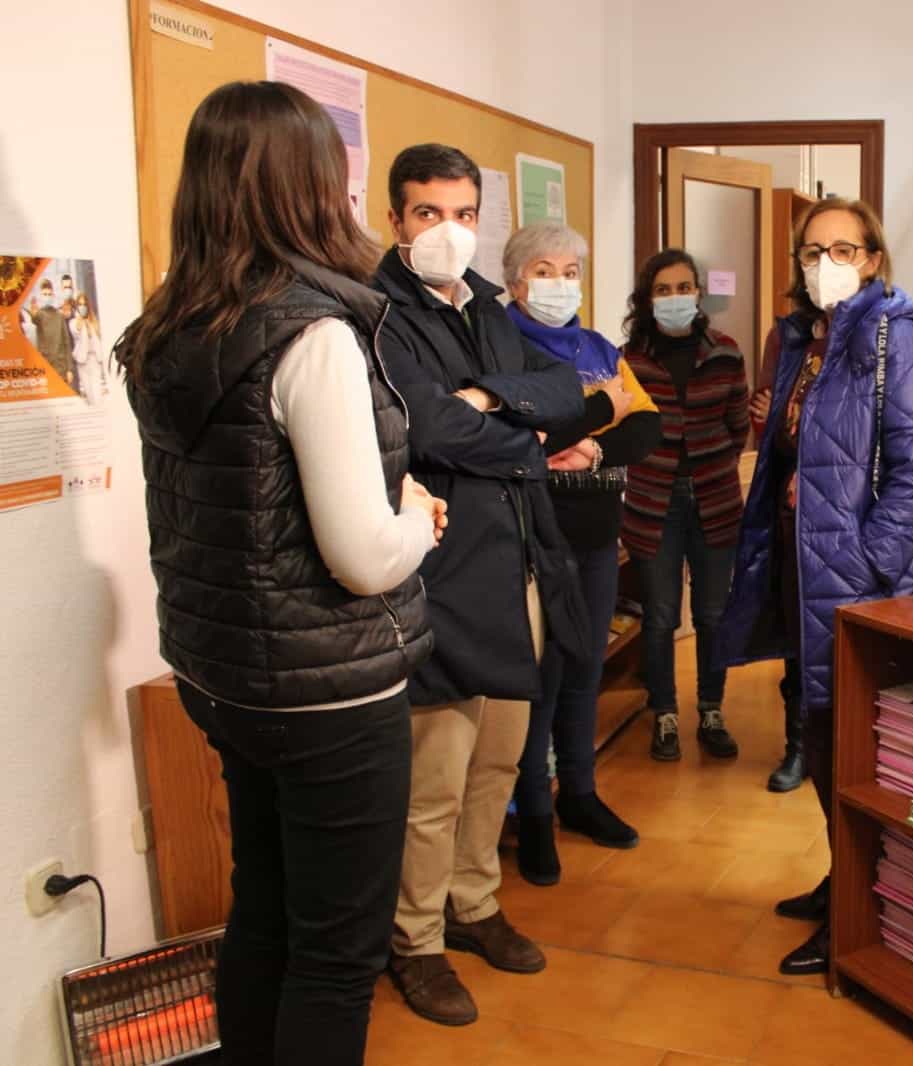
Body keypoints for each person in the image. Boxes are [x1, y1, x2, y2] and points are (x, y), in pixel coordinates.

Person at [118, 80, 445, 1066]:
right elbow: (360, 556)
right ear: (310, 185)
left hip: (222, 677)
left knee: (261, 910)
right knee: (336, 956)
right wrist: (419, 519)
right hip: (327, 694)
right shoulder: (311, 334)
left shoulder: (169, 328)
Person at [717, 199, 913, 976]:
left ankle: (864, 908)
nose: (827, 262)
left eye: (844, 248)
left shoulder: (898, 332)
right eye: (813, 250)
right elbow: (791, 453)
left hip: (859, 583)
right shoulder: (801, 339)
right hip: (803, 568)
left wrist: (862, 568)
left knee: (858, 749)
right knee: (820, 735)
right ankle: (841, 880)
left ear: (874, 258)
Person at [375, 144, 586, 1027]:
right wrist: (521, 432)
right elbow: (427, 431)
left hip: (518, 561)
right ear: (394, 220)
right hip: (442, 573)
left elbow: (566, 389)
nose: (448, 233)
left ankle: (474, 903)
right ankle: (415, 940)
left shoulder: (492, 306)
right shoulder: (376, 314)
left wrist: (491, 401)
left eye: (464, 214)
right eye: (429, 214)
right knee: (437, 774)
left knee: (501, 754)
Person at [503, 221, 662, 884]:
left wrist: (593, 442)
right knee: (537, 681)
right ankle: (533, 815)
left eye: (571, 271)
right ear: (514, 281)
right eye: (545, 270)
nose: (560, 284)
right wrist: (604, 406)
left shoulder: (598, 345)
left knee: (583, 671)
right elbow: (522, 434)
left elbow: (647, 424)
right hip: (530, 542)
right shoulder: (499, 345)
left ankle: (580, 795)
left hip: (598, 535)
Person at [620, 250, 747, 763]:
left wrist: (705, 465)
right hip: (653, 503)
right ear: (649, 300)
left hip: (715, 498)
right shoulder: (628, 359)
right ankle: (665, 714)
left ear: (698, 293)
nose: (676, 298)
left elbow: (739, 428)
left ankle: (711, 711)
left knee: (715, 613)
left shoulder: (726, 353)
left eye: (684, 287)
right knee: (659, 616)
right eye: (664, 290)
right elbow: (623, 432)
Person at [751, 330, 805, 794]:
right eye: (811, 252)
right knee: (794, 636)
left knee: (829, 644)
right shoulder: (789, 337)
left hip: (842, 515)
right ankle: (799, 746)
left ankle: (835, 748)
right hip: (788, 512)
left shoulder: (884, 332)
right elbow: (765, 414)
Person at [31, 278, 75, 390]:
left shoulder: (59, 316)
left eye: (49, 294)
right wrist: (33, 313)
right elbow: (34, 319)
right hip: (46, 367)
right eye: (44, 294)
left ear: (53, 295)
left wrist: (69, 369)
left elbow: (66, 343)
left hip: (61, 367)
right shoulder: (39, 316)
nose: (47, 296)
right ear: (40, 296)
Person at [70, 295, 107, 404]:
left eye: (84, 304)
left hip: (95, 358)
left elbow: (100, 338)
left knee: (97, 390)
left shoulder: (94, 321)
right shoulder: (73, 322)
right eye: (80, 304)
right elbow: (76, 331)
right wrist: (80, 318)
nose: (82, 307)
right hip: (83, 360)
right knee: (87, 390)